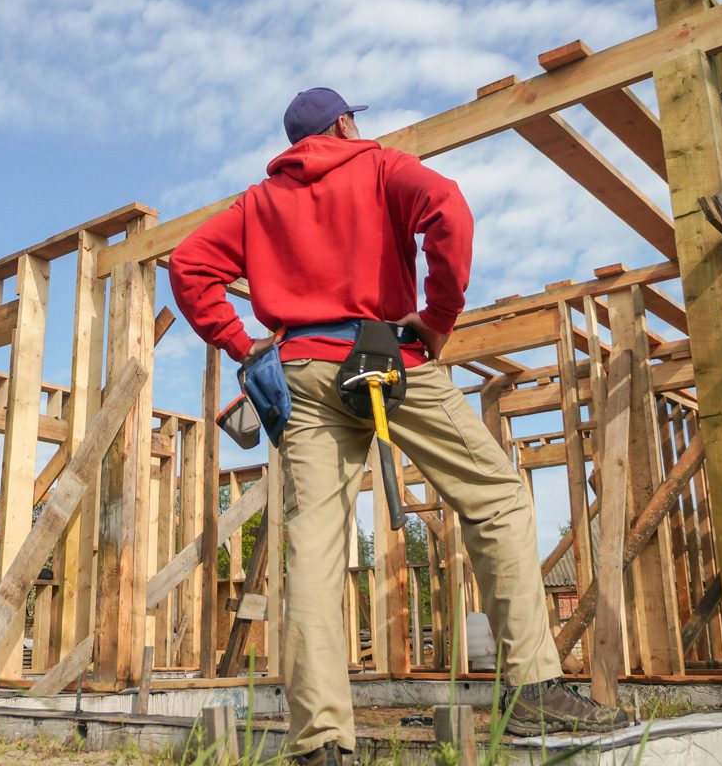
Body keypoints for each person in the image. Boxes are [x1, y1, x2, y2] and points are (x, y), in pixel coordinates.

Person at [169, 87, 627, 765]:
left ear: (296, 145)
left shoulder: (258, 203)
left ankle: (321, 743)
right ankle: (532, 695)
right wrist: (439, 317)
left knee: (316, 547)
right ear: (346, 123)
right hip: (386, 358)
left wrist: (243, 345)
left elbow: (187, 265)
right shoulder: (379, 166)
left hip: (301, 369)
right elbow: (449, 208)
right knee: (496, 496)